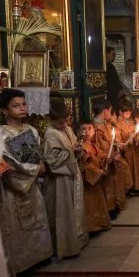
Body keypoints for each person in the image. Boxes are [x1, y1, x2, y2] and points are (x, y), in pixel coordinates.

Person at [0, 88, 53, 275]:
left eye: (24, 104)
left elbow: (37, 154)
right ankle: (21, 263)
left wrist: (41, 163)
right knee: (16, 223)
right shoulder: (2, 135)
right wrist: (36, 169)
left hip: (32, 185)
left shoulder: (31, 130)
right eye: (16, 105)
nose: (22, 108)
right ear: (5, 110)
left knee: (37, 216)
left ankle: (39, 255)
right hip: (15, 188)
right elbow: (10, 164)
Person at [42, 100, 88, 259]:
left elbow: (75, 144)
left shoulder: (67, 129)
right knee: (63, 212)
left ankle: (77, 240)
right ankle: (64, 246)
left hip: (72, 173)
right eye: (59, 121)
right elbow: (51, 159)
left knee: (74, 208)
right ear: (52, 119)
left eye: (65, 119)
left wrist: (79, 149)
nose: (63, 123)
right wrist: (71, 150)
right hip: (60, 179)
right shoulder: (50, 134)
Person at [77, 120, 111, 232]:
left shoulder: (93, 145)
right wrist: (99, 172)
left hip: (96, 181)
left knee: (98, 201)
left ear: (93, 131)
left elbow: (100, 156)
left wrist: (107, 158)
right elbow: (85, 165)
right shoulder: (80, 147)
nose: (86, 132)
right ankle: (92, 227)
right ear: (78, 132)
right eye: (83, 129)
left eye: (89, 129)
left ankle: (100, 223)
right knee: (90, 204)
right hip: (88, 180)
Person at [92, 98, 120, 218]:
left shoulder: (105, 124)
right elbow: (99, 147)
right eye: (110, 111)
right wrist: (110, 156)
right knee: (105, 186)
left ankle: (113, 205)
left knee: (111, 183)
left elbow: (110, 141)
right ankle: (108, 209)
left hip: (111, 158)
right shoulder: (97, 128)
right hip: (103, 161)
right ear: (105, 111)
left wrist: (116, 146)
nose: (111, 114)